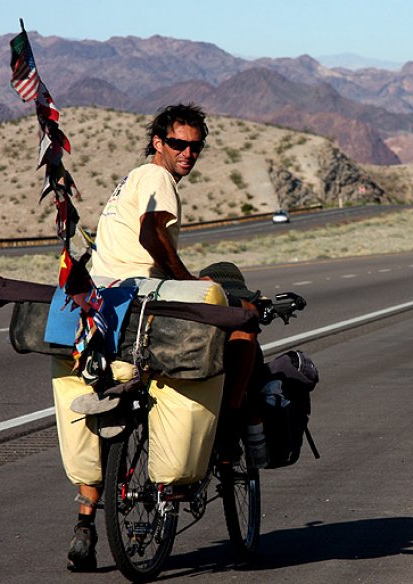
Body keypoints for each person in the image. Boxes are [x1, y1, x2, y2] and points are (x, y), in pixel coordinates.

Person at [52, 103, 258, 571]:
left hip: (104, 307)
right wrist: (186, 279)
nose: (188, 153)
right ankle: (227, 435)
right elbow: (150, 232)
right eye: (179, 144)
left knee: (101, 400)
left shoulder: (131, 179)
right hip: (142, 294)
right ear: (158, 144)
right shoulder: (157, 178)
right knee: (243, 327)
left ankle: (86, 525)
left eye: (196, 146)